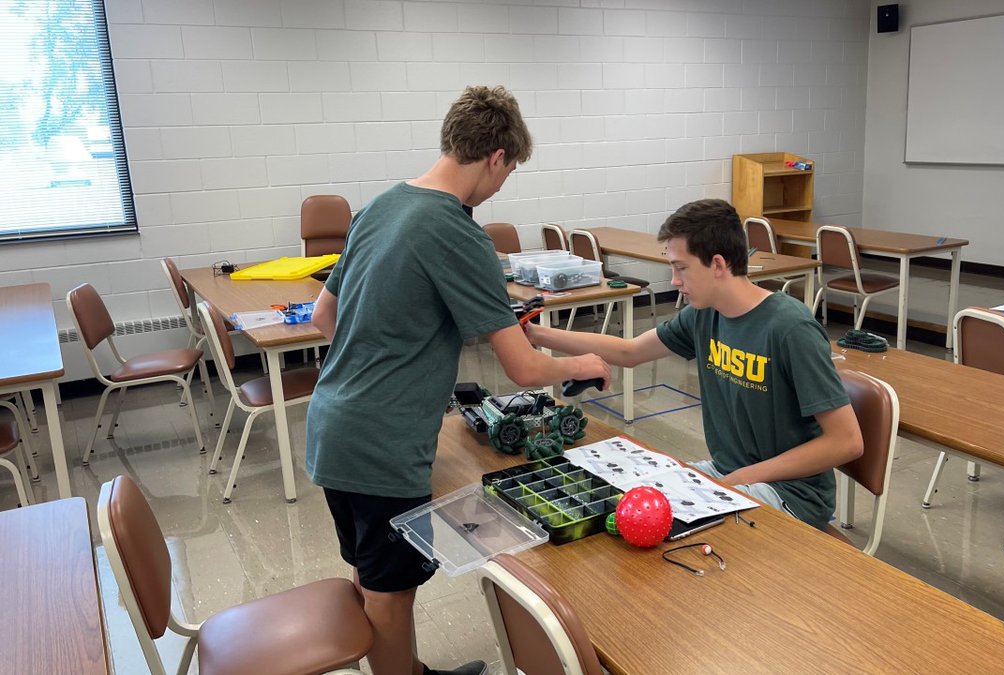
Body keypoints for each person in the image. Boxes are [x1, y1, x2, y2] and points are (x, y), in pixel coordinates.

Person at [305, 85, 610, 675]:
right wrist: (582, 364)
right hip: (382, 444)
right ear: (496, 157)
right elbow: (523, 368)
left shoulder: (379, 207)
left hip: (332, 424)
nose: (501, 187)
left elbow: (325, 316)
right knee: (391, 594)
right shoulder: (457, 232)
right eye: (509, 172)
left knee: (372, 573)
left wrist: (390, 354)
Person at [527, 199, 863, 530]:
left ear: (717, 265)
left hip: (789, 493)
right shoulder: (704, 315)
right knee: (627, 506)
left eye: (681, 268)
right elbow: (629, 352)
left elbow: (846, 441)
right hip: (729, 474)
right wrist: (536, 333)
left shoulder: (790, 328)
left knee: (662, 536)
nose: (674, 280)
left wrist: (739, 479)